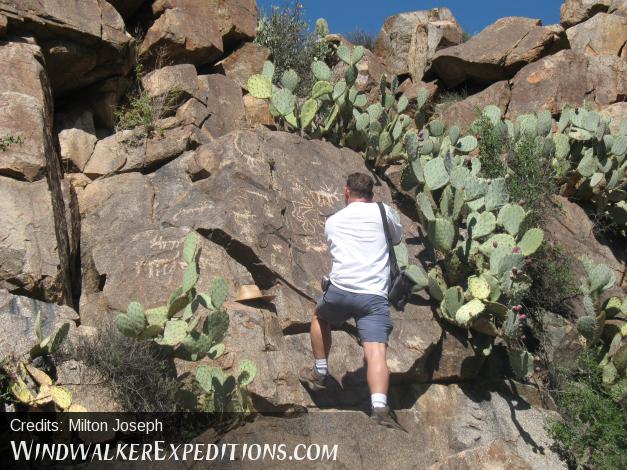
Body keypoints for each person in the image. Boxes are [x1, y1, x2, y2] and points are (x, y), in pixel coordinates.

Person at [299, 172, 403, 429]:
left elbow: (336, 246)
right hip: (374, 296)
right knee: (376, 350)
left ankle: (320, 371)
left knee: (319, 316)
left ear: (347, 192)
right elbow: (397, 239)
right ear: (371, 194)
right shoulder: (384, 212)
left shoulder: (333, 220)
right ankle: (379, 407)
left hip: (341, 290)